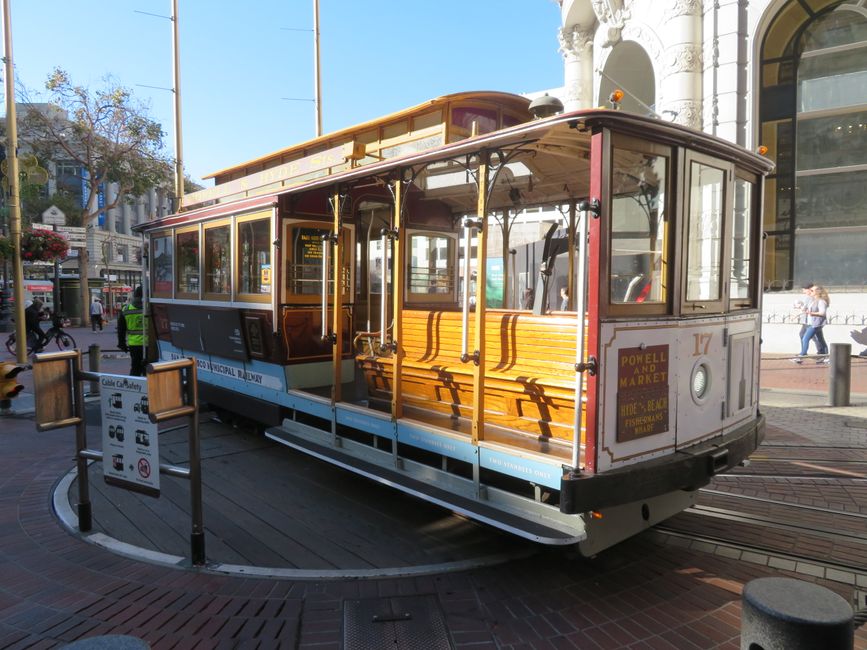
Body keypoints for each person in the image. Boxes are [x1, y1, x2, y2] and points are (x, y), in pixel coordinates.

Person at [793, 285, 830, 364]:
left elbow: (822, 313)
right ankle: (825, 357)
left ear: (817, 292)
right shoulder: (814, 300)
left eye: (812, 290)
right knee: (820, 340)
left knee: (805, 339)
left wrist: (811, 313)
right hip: (812, 323)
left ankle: (802, 355)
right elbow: (807, 309)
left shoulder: (821, 301)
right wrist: (801, 308)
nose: (810, 292)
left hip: (816, 324)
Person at [117, 286, 146, 376]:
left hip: (134, 344)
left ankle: (134, 388)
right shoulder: (150, 308)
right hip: (150, 344)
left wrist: (122, 344)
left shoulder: (126, 309)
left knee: (135, 368)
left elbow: (121, 329)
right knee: (149, 369)